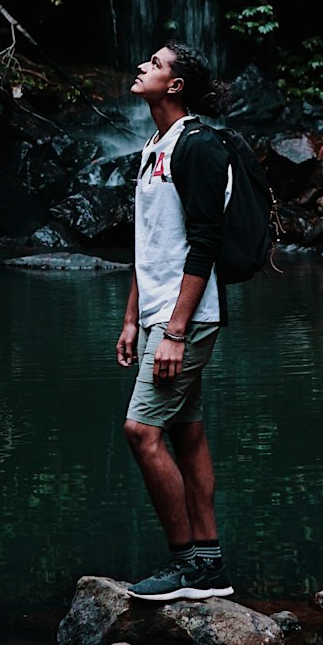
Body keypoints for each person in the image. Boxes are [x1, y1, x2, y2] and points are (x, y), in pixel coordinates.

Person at [115, 41, 235, 601]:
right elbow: (150, 243)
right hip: (158, 314)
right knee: (185, 433)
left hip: (189, 317)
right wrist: (132, 319)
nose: (143, 67)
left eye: (155, 65)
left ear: (176, 85)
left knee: (142, 432)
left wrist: (176, 332)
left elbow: (205, 242)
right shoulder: (152, 147)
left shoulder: (199, 146)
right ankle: (208, 563)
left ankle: (187, 568)